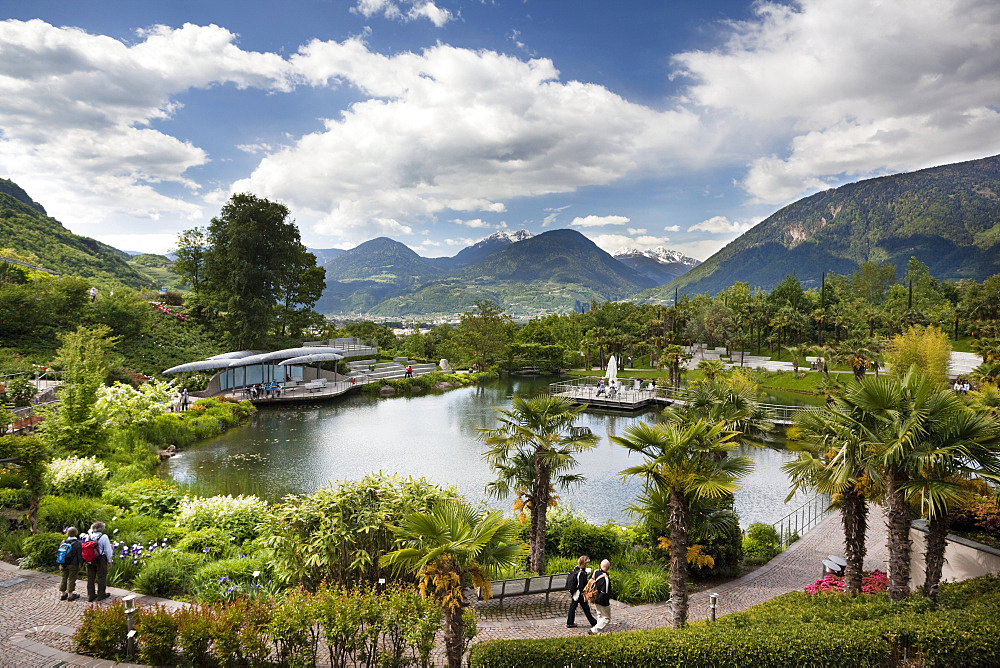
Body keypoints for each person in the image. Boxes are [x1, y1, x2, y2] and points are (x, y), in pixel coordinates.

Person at [84, 521, 113, 602]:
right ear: (102, 528)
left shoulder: (88, 536)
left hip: (90, 558)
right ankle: (101, 594)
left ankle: (91, 595)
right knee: (101, 576)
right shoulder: (104, 537)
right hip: (100, 559)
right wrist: (109, 560)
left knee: (90, 577)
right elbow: (107, 549)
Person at [566, 555, 598, 628]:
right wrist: (584, 595)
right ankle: (593, 623)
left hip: (575, 592)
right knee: (585, 608)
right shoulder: (582, 573)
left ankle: (570, 622)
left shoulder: (576, 568)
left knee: (573, 607)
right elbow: (581, 586)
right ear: (584, 563)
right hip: (579, 593)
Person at [57, 527, 83, 601]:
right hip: (73, 564)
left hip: (63, 563)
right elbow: (79, 555)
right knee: (71, 578)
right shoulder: (78, 543)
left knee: (63, 577)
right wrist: (81, 564)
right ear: (76, 533)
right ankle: (70, 595)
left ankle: (62, 594)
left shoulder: (63, 542)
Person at [588, 559, 612, 635]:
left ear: (600, 566)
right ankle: (594, 630)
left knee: (600, 615)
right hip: (602, 600)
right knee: (606, 619)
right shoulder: (606, 578)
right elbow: (605, 592)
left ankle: (599, 633)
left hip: (594, 597)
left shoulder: (596, 572)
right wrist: (606, 603)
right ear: (608, 568)